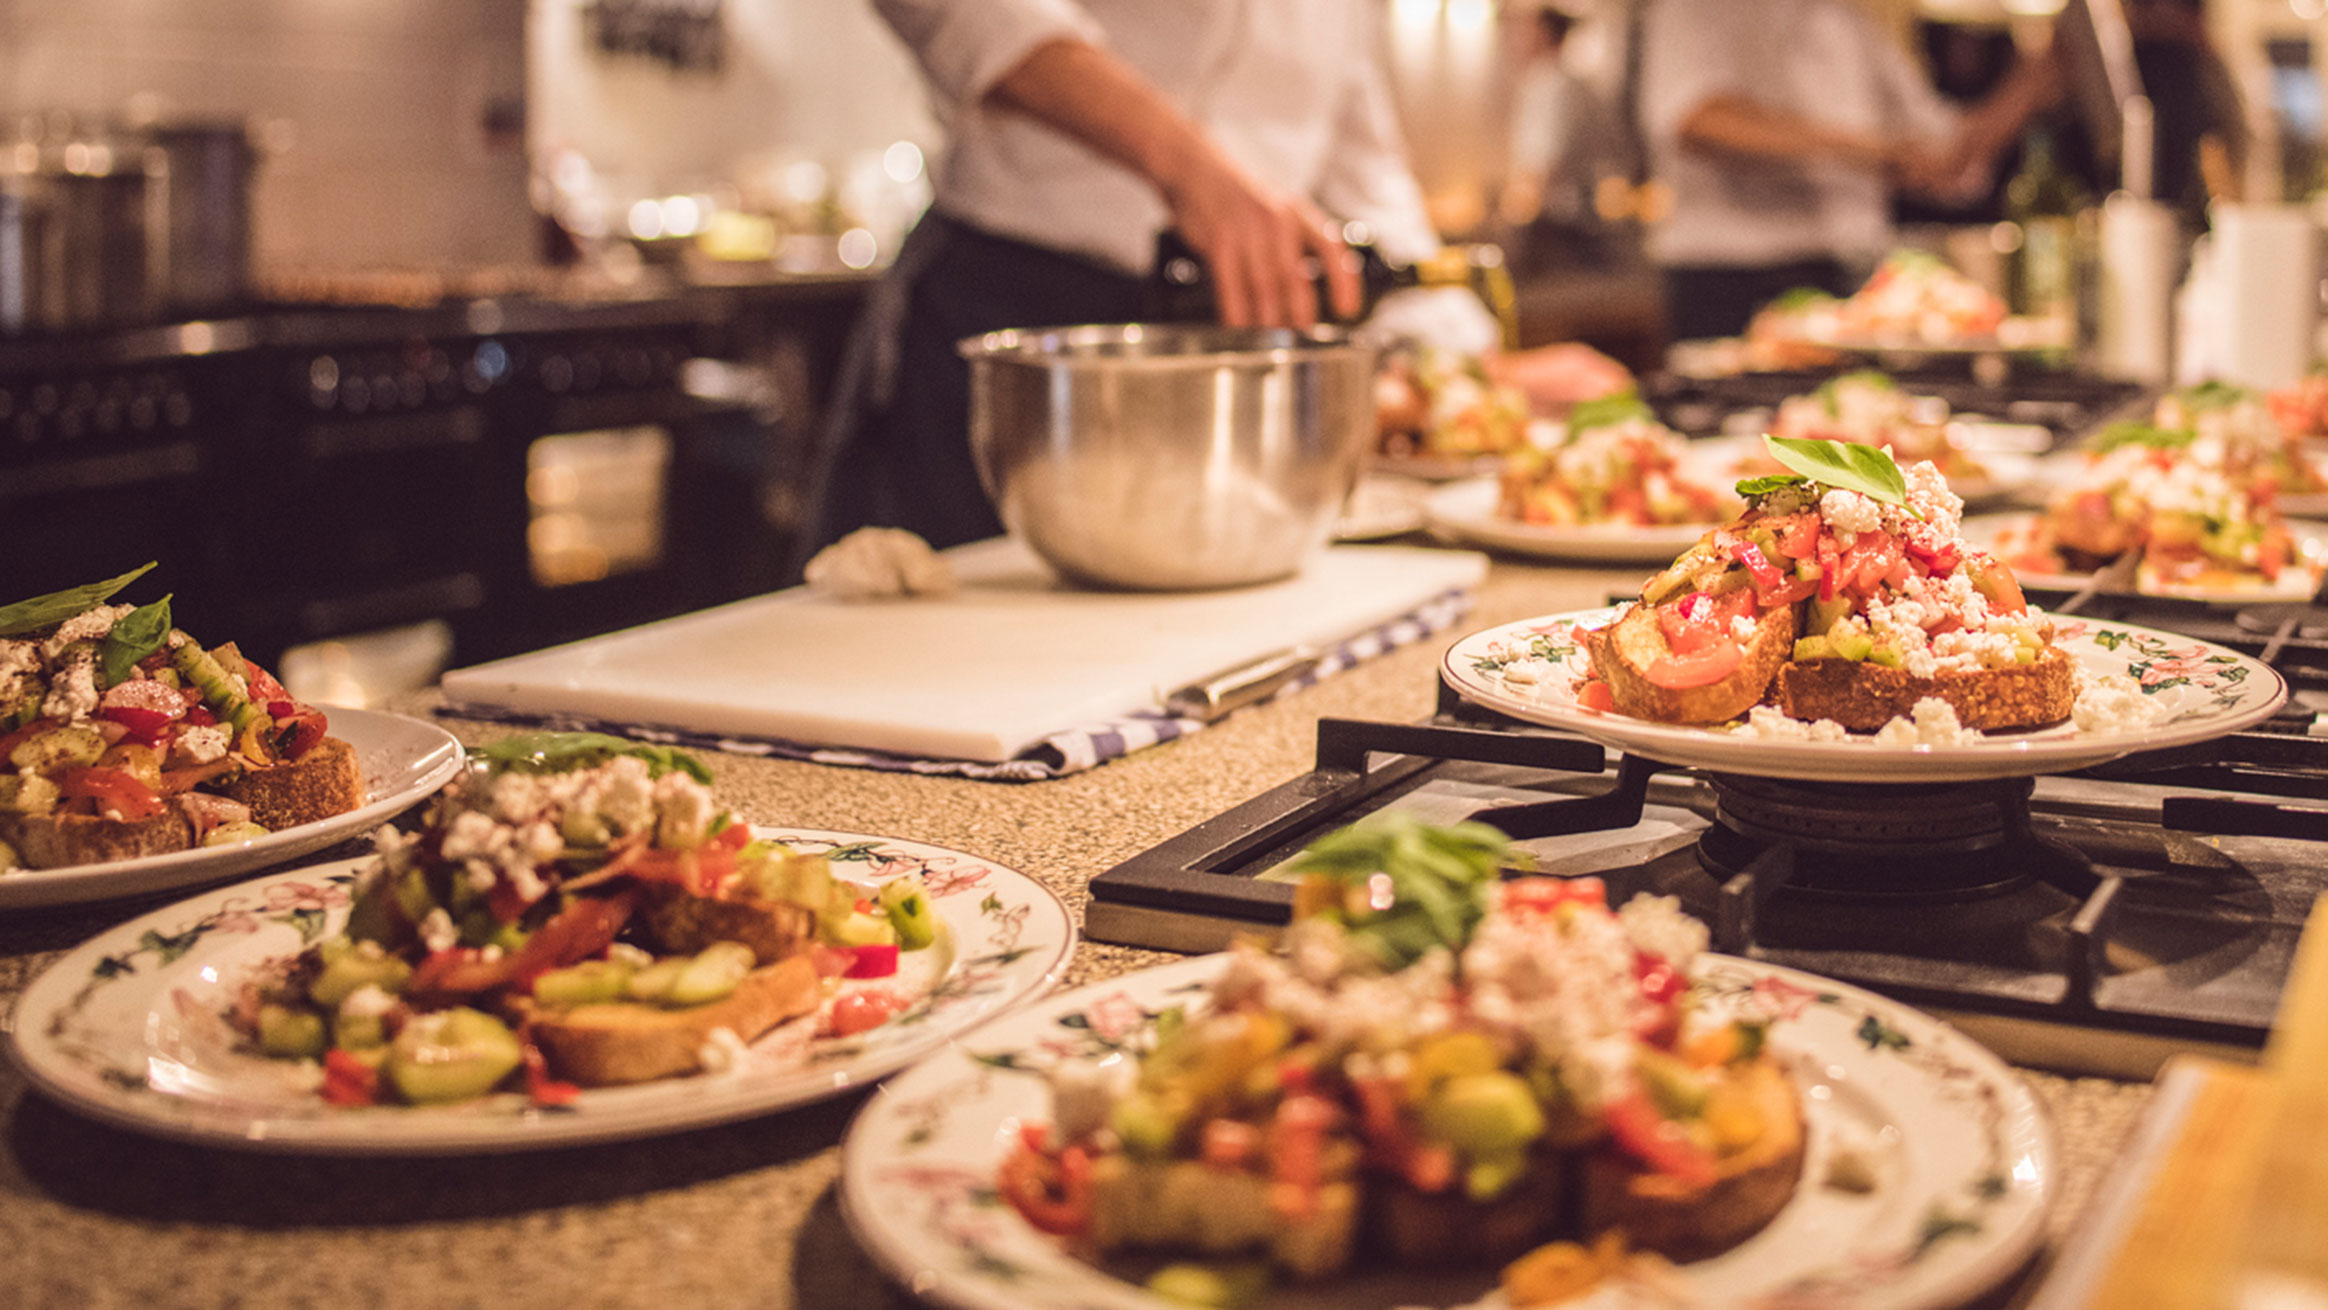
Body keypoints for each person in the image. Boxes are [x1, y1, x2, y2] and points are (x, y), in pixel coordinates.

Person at [801, 0, 1622, 566]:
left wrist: (1471, 374)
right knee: (927, 636)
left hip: (1227, 344)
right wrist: (1188, 164)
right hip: (1019, 313)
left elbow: (1361, 167)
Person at [1634, 0, 2059, 341]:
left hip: (1853, 274)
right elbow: (1695, 118)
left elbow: (1941, 151)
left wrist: (2030, 85)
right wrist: (1871, 150)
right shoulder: (1695, 8)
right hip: (1731, 279)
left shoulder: (1846, 17)